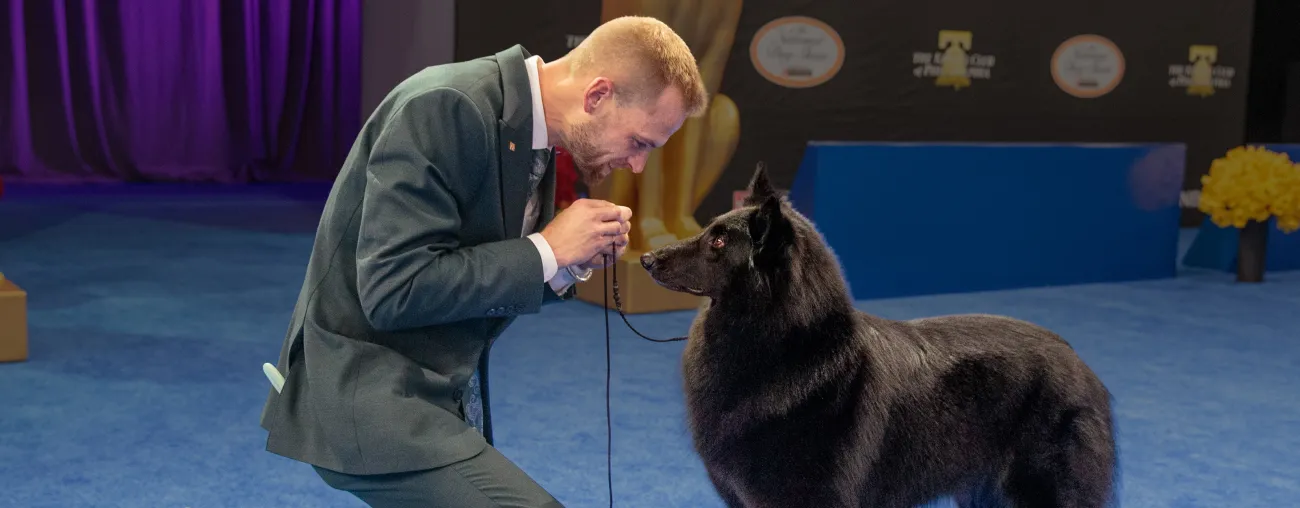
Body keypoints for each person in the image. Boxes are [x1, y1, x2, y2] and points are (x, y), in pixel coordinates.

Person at [258, 15, 709, 508]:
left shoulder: (530, 126)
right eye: (640, 143)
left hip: (436, 388)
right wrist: (548, 249)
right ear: (597, 95)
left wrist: (565, 263)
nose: (638, 165)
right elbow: (393, 290)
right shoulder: (445, 106)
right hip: (364, 393)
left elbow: (473, 272)